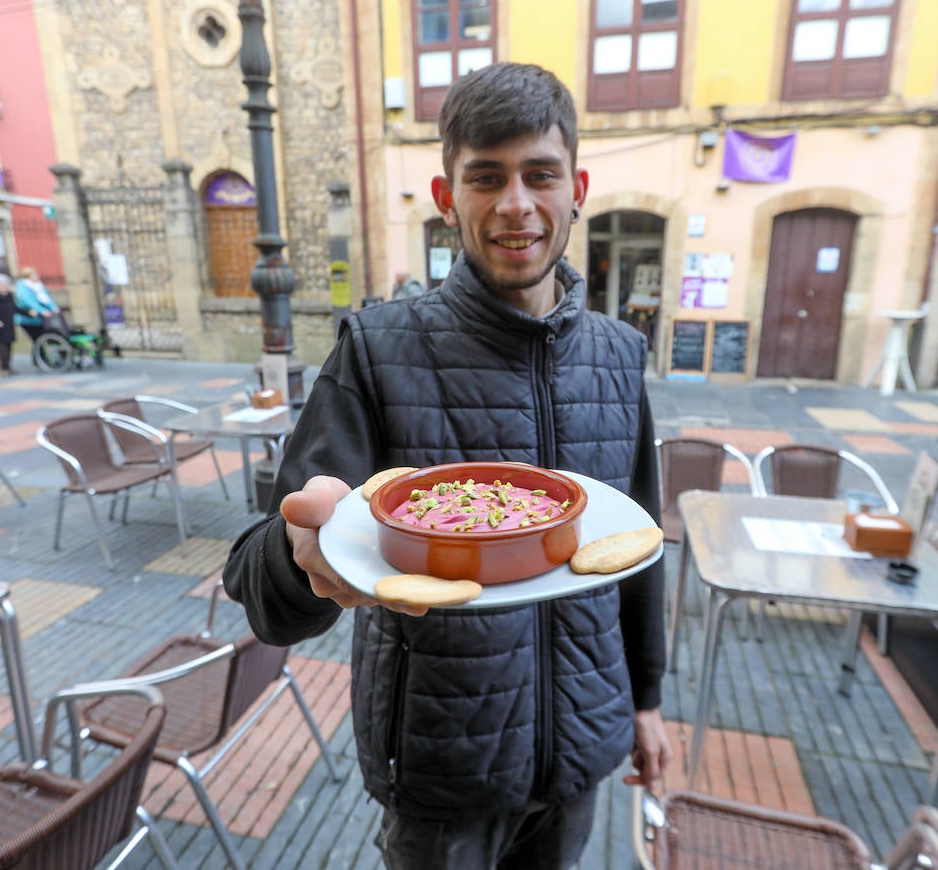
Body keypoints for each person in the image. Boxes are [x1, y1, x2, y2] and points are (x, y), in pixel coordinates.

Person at [223, 62, 670, 869]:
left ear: (579, 189)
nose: (515, 204)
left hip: (582, 753)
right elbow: (261, 585)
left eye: (540, 175)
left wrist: (646, 699)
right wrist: (300, 563)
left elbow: (635, 553)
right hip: (439, 771)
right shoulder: (378, 350)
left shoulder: (618, 356)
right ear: (444, 195)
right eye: (486, 178)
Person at [13, 266, 61, 346]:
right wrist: (42, 311)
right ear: (28, 276)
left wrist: (54, 308)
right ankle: (39, 357)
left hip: (42, 318)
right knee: (37, 339)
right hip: (28, 318)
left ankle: (42, 356)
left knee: (45, 337)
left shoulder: (38, 285)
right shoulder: (22, 287)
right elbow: (29, 301)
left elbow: (47, 299)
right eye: (34, 274)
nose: (37, 276)